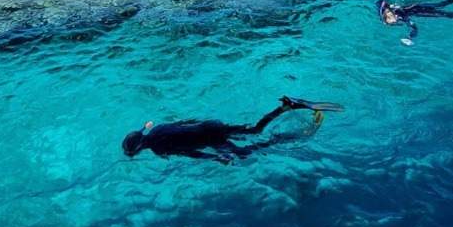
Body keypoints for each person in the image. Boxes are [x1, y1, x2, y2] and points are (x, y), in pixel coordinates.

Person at [121, 96, 344, 163]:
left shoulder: (159, 150)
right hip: (210, 126)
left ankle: (290, 136)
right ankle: (285, 107)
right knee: (256, 129)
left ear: (140, 148)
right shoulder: (157, 129)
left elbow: (190, 153)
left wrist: (215, 158)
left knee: (248, 152)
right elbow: (184, 122)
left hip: (210, 138)